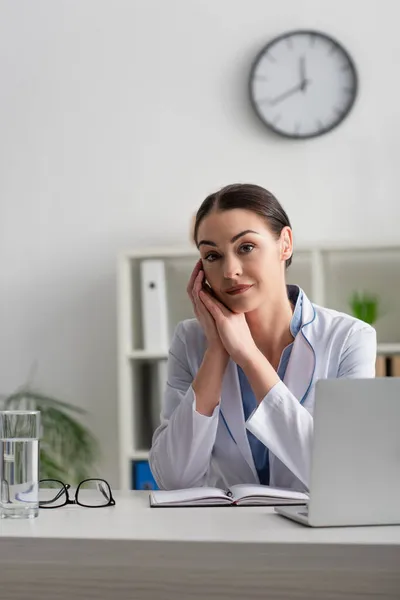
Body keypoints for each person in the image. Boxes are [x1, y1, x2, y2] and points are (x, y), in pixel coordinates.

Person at [149, 183, 377, 492]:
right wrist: (217, 350)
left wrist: (248, 356)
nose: (230, 271)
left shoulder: (349, 339)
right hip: (223, 534)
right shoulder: (191, 340)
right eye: (213, 255)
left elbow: (342, 475)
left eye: (246, 247)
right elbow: (173, 478)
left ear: (285, 244)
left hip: (314, 535)